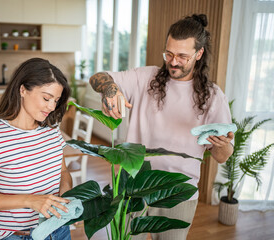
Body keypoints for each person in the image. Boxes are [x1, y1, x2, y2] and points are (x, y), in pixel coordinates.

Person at [89, 14, 234, 240]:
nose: (173, 61)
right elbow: (99, 76)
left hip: (178, 194)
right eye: (169, 53)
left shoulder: (214, 97)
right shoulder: (145, 77)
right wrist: (109, 89)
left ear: (199, 53)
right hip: (134, 186)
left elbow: (222, 156)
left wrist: (222, 145)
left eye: (182, 56)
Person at [0, 58, 73, 240]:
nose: (51, 106)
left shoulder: (51, 131)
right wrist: (30, 200)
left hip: (58, 229)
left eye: (56, 100)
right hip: (19, 236)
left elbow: (63, 171)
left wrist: (65, 196)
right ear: (23, 89)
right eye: (46, 98)